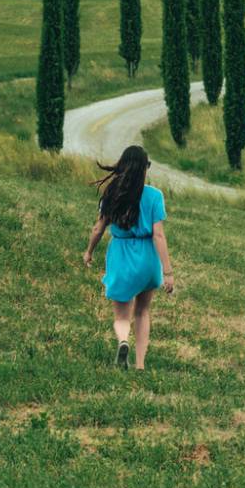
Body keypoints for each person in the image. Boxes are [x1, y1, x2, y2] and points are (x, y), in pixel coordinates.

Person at [83, 145, 175, 370]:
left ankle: (123, 341)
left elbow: (98, 229)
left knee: (122, 315)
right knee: (143, 312)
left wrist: (89, 252)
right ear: (145, 168)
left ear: (122, 166)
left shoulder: (112, 194)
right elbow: (159, 235)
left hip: (121, 255)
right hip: (148, 259)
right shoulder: (155, 196)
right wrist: (168, 271)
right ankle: (140, 364)